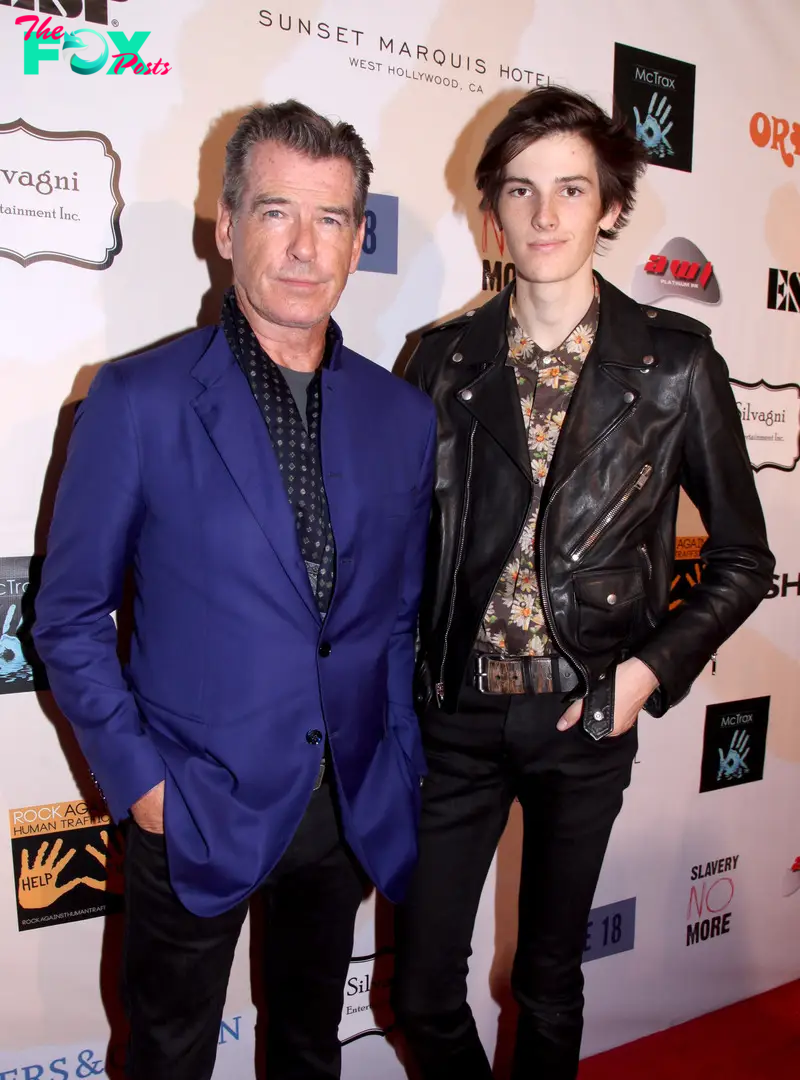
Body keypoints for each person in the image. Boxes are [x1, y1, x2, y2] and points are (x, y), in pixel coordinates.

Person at [33, 100, 436, 1080]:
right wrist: (143, 788)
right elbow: (70, 619)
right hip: (194, 805)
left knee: (307, 1049)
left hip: (344, 808)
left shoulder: (400, 414)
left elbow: (389, 617)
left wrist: (394, 760)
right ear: (224, 228)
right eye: (274, 212)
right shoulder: (136, 399)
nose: (304, 247)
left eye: (331, 218)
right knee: (168, 1057)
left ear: (356, 237)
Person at [393, 85, 774, 1080]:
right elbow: (398, 547)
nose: (546, 214)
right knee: (422, 988)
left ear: (609, 206)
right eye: (521, 191)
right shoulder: (438, 362)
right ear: (491, 214)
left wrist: (643, 676)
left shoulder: (674, 366)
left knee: (547, 981)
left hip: (586, 716)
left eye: (571, 189)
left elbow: (742, 558)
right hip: (453, 720)